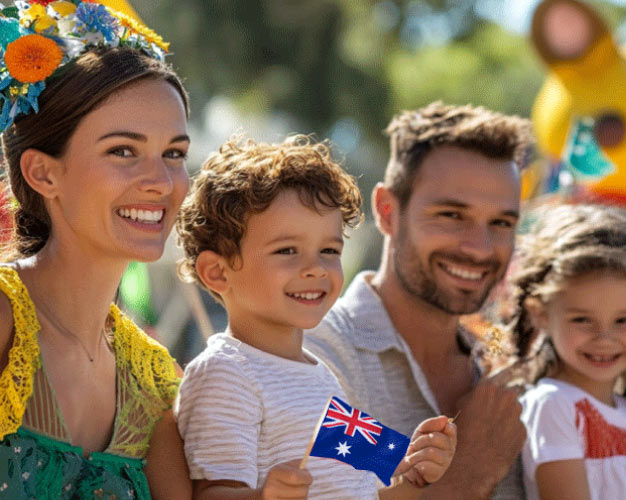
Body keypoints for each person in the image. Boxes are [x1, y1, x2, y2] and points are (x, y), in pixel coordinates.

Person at [0, 2, 192, 498]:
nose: (161, 181)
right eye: (123, 151)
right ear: (43, 173)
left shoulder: (155, 381)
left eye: (174, 153)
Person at [174, 135, 457, 500]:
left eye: (329, 250)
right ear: (217, 272)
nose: (315, 268)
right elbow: (212, 493)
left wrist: (418, 472)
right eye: (287, 250)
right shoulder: (225, 374)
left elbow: (374, 491)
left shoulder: (322, 376)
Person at [304, 101, 531, 499]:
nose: (479, 249)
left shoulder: (504, 369)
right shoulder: (319, 359)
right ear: (388, 211)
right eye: (451, 215)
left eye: (501, 223)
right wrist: (472, 467)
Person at [506, 204, 626, 500]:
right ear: (541, 313)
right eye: (582, 319)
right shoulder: (553, 405)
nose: (604, 338)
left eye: (623, 320)